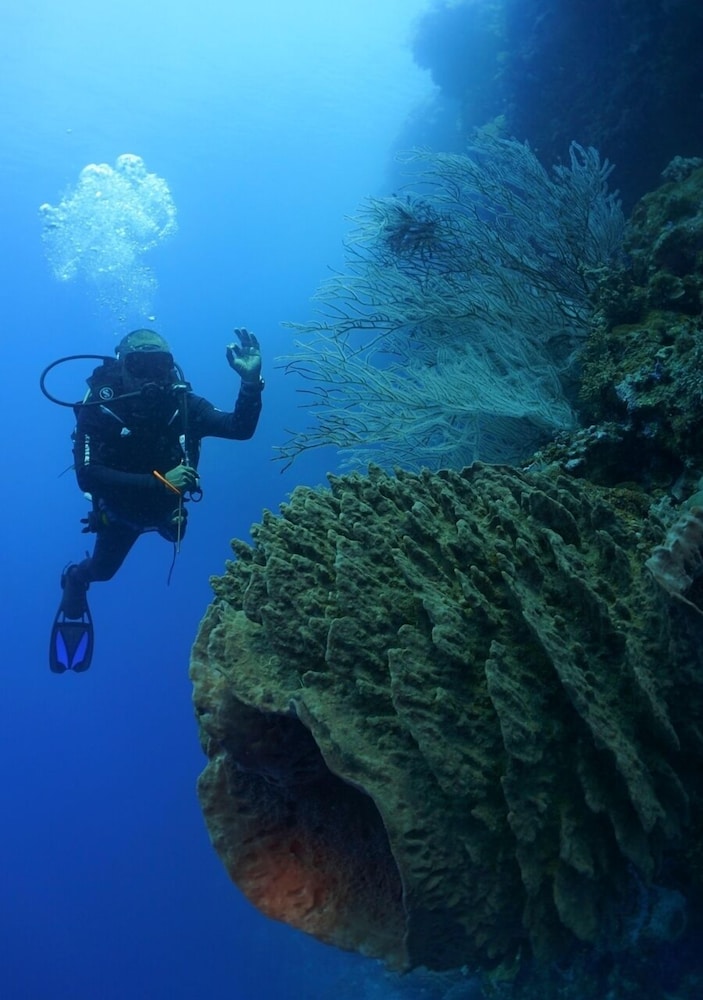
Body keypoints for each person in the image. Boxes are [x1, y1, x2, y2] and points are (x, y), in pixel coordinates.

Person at [50, 326, 263, 673]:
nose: (152, 377)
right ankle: (76, 577)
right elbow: (87, 475)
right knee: (103, 572)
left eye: (160, 366)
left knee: (175, 532)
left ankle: (166, 521)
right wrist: (161, 483)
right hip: (119, 514)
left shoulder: (182, 404)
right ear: (122, 366)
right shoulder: (101, 405)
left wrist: (251, 382)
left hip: (168, 508)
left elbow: (240, 428)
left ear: (171, 368)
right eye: (140, 366)